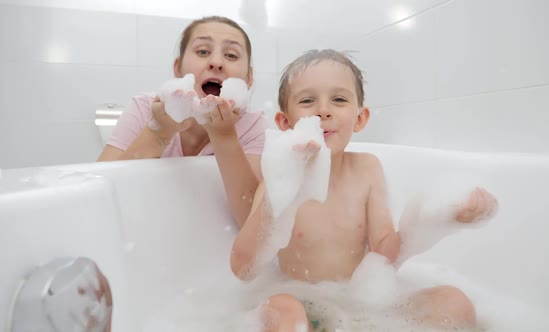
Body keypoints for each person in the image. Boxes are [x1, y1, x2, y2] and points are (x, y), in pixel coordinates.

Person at [230, 49, 498, 331]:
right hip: (301, 300)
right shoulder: (278, 178)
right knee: (282, 311)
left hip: (363, 300)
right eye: (308, 100)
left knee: (454, 302)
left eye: (339, 99)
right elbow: (243, 269)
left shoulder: (368, 169)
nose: (324, 110)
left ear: (360, 118)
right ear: (285, 123)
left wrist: (440, 219)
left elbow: (384, 252)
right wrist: (278, 198)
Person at [97, 16, 268, 227]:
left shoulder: (253, 126)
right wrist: (159, 130)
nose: (216, 62)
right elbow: (99, 197)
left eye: (231, 55)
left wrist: (224, 135)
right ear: (178, 68)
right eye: (203, 52)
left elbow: (252, 222)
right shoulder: (144, 108)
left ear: (249, 78)